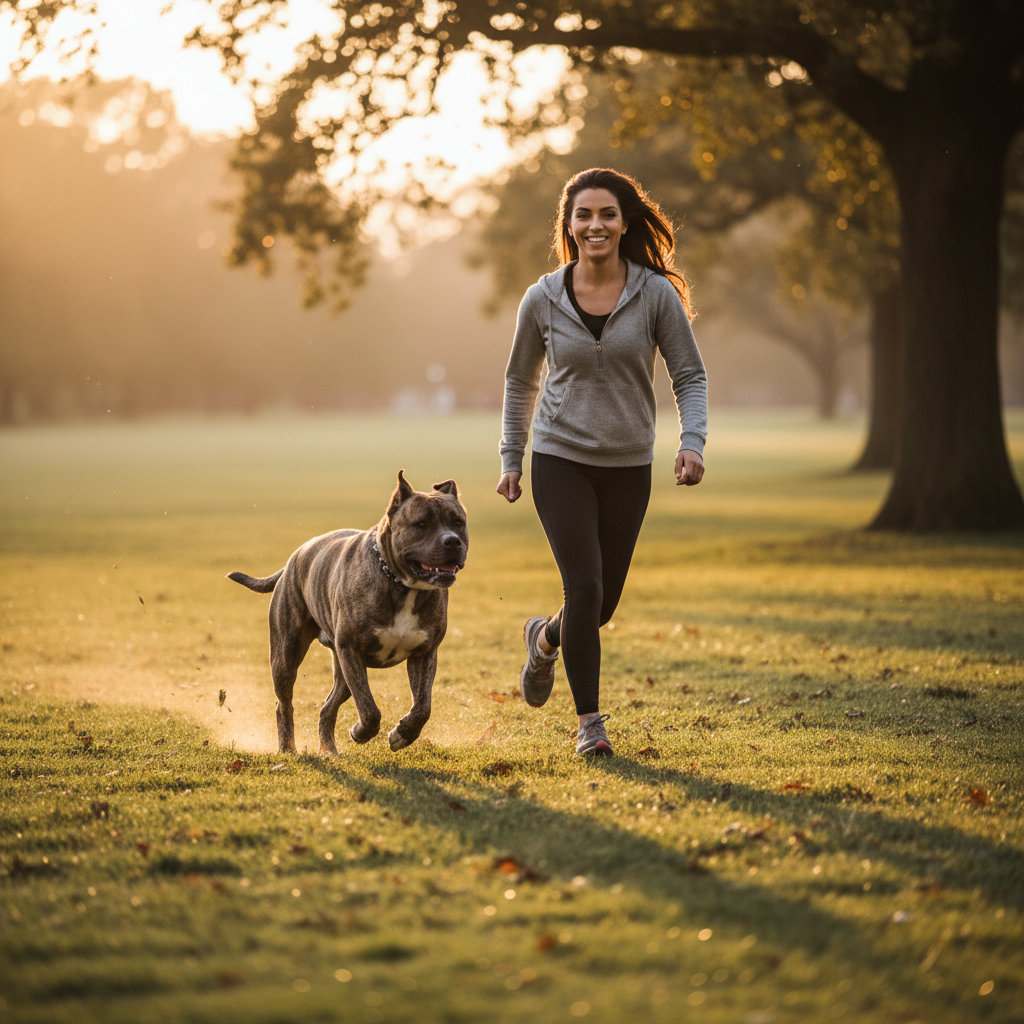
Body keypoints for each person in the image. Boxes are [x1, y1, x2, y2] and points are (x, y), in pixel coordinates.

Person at [496, 167, 707, 757]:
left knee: (601, 603)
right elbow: (519, 383)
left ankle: (545, 637)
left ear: (624, 222)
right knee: (584, 586)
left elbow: (688, 374)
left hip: (628, 464)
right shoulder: (541, 298)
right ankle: (590, 723)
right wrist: (512, 457)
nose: (596, 225)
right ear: (568, 225)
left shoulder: (655, 294)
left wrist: (693, 441)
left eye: (607, 214)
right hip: (559, 457)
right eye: (584, 215)